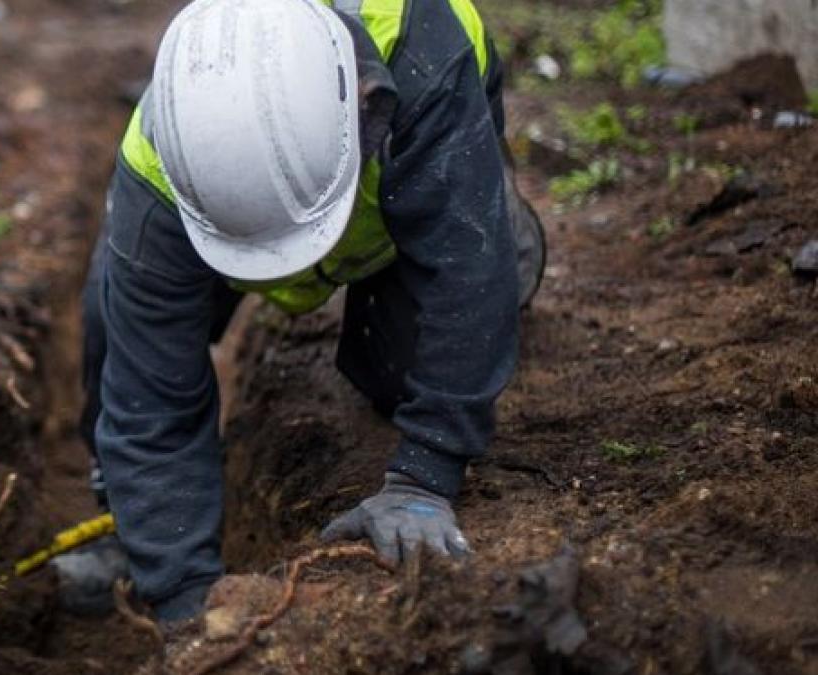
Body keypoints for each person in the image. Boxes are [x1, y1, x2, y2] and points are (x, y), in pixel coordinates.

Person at [52, 0, 546, 625]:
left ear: (369, 109)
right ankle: (125, 525)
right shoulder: (161, 163)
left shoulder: (421, 56)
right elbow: (150, 400)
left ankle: (502, 221)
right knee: (112, 325)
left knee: (442, 318)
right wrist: (183, 604)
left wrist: (423, 480)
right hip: (227, 204)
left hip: (415, 168)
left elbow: (464, 275)